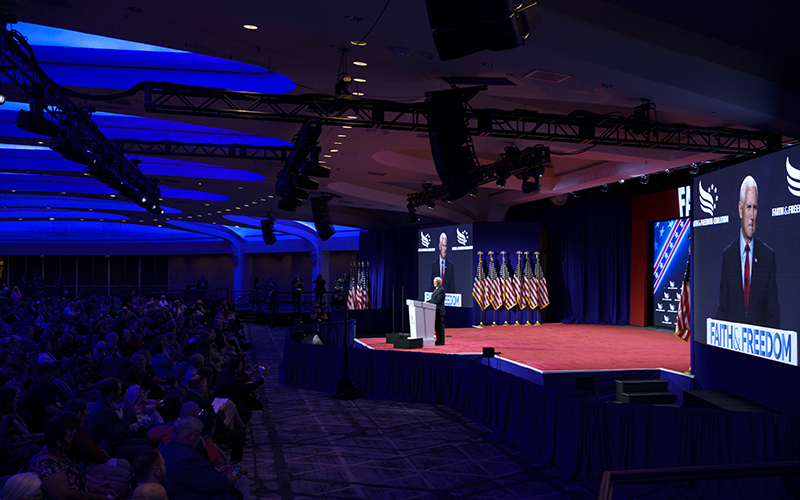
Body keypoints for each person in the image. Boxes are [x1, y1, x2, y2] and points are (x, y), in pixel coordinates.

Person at [716, 175, 780, 329]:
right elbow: (723, 308)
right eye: (748, 207)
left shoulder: (767, 256)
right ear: (740, 209)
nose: (752, 216)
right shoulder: (728, 255)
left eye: (755, 208)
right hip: (734, 344)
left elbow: (773, 312)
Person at [160, 417, 238, 500]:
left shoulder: (168, 448)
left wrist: (219, 471)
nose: (199, 439)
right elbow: (209, 485)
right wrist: (228, 480)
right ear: (190, 435)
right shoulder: (186, 459)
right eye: (198, 435)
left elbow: (198, 477)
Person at [427, 277, 446, 346]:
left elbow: (438, 300)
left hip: (438, 310)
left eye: (435, 282)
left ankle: (441, 341)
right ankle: (438, 340)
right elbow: (433, 299)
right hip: (435, 311)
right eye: (434, 282)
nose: (434, 283)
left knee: (439, 326)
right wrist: (427, 302)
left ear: (439, 282)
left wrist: (431, 303)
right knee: (437, 327)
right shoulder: (436, 290)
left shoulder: (441, 290)